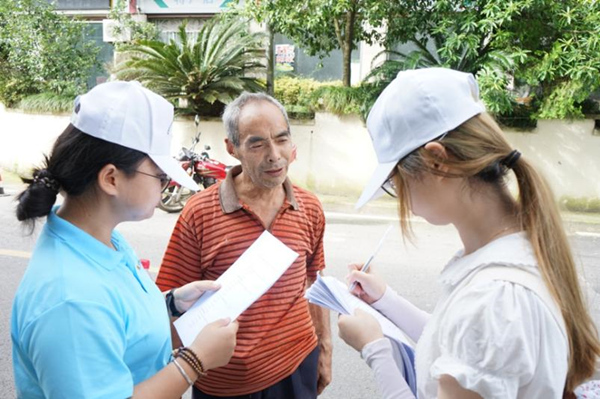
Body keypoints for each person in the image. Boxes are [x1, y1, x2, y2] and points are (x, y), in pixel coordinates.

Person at [337, 68, 600, 398]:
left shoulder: (492, 299)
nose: (402, 198)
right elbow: (456, 344)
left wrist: (375, 349)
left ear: (437, 162)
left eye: (396, 182)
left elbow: (474, 334)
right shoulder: (524, 249)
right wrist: (386, 300)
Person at [11, 81, 239, 399]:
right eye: (160, 175)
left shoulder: (102, 240)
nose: (166, 184)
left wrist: (171, 305)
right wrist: (196, 361)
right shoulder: (71, 299)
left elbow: (117, 327)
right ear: (111, 179)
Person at [156, 92, 332, 398]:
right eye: (257, 143)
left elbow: (313, 281)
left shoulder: (309, 207)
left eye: (281, 139)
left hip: (297, 367)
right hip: (224, 384)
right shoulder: (198, 213)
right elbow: (168, 305)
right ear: (232, 148)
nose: (275, 155)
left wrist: (325, 347)